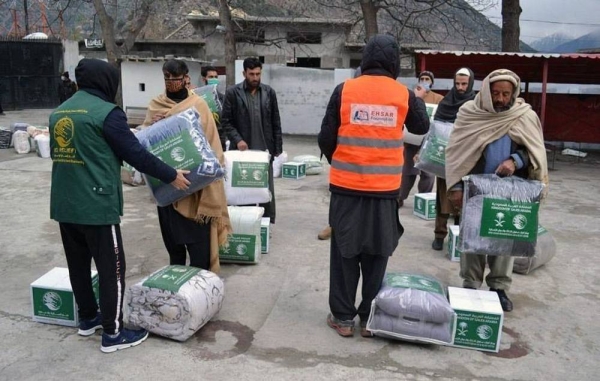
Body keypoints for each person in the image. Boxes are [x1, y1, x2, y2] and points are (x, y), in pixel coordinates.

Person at [49, 58, 191, 353]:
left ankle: (88, 319)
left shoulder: (60, 112)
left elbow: (93, 146)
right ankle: (113, 333)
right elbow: (134, 153)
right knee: (112, 269)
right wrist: (171, 175)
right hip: (97, 205)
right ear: (105, 81)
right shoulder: (107, 113)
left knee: (78, 265)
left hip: (65, 203)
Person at [318, 35, 430, 337]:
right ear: (394, 62)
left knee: (344, 253)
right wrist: (416, 97)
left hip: (346, 188)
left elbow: (325, 137)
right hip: (384, 192)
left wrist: (340, 159)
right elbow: (422, 127)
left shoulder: (345, 90)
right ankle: (370, 317)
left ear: (365, 59)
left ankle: (342, 319)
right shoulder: (403, 95)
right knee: (377, 253)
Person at [445, 69, 549, 312]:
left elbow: (534, 150)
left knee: (504, 240)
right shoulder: (470, 113)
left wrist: (515, 160)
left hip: (509, 191)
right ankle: (470, 284)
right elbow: (457, 152)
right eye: (495, 93)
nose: (501, 99)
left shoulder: (524, 116)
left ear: (514, 94)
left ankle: (499, 288)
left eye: (505, 93)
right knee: (473, 238)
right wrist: (458, 187)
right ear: (486, 92)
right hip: (476, 187)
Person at [141, 59, 231, 272]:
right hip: (167, 188)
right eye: (167, 78)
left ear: (186, 79)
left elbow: (211, 142)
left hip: (196, 191)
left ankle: (200, 291)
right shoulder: (156, 105)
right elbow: (143, 141)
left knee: (199, 251)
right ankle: (179, 290)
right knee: (175, 249)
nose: (171, 83)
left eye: (176, 79)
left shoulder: (198, 105)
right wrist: (154, 124)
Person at [221, 57, 283, 224]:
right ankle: (244, 222)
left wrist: (277, 147)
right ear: (244, 73)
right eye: (251, 74)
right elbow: (225, 121)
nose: (255, 78)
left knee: (266, 188)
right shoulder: (233, 93)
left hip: (264, 150)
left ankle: (267, 222)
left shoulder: (269, 92)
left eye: (258, 74)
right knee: (243, 188)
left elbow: (276, 121)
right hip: (242, 151)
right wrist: (237, 139)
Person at [431, 67, 476, 251]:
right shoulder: (445, 103)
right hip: (446, 158)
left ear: (471, 83)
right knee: (443, 198)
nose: (460, 87)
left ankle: (458, 237)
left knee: (463, 200)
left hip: (466, 159)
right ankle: (439, 235)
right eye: (457, 83)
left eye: (464, 84)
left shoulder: (475, 104)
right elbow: (436, 128)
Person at [397, 71, 443, 207]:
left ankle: (424, 201)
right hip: (412, 141)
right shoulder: (412, 96)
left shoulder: (438, 98)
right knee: (407, 173)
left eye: (427, 79)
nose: (424, 81)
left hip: (429, 143)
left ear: (432, 82)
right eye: (421, 79)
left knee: (427, 174)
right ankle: (399, 197)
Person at [201, 65, 227, 151]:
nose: (214, 79)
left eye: (216, 77)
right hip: (204, 139)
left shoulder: (223, 98)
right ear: (204, 79)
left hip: (220, 139)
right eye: (211, 77)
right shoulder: (198, 97)